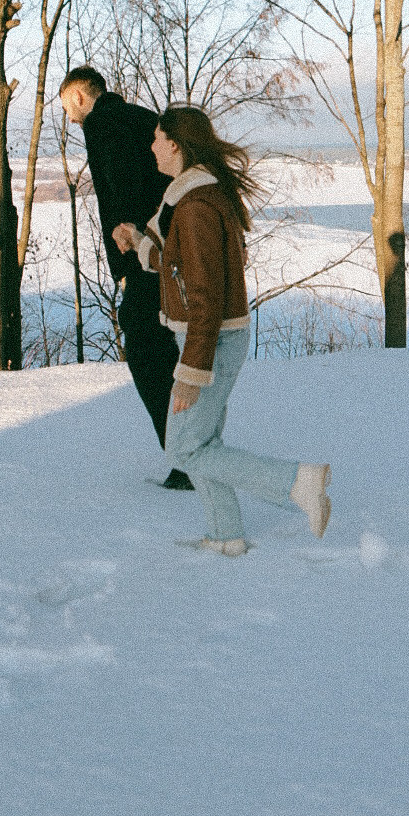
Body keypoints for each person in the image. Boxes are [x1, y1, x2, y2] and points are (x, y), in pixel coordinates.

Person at [120, 104, 332, 556]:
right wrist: (141, 244)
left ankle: (299, 482)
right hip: (212, 338)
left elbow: (205, 298)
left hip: (210, 341)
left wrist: (191, 371)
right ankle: (226, 537)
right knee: (202, 441)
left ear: (174, 143)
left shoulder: (195, 207)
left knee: (183, 449)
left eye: (157, 137)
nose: (151, 146)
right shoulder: (191, 198)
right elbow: (181, 267)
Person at [58, 66, 191, 490]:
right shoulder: (135, 118)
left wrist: (133, 237)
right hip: (159, 246)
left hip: (147, 253)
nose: (69, 117)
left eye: (66, 106)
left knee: (145, 348)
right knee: (157, 345)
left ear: (79, 96)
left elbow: (123, 189)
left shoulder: (103, 126)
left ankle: (189, 455)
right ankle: (190, 450)